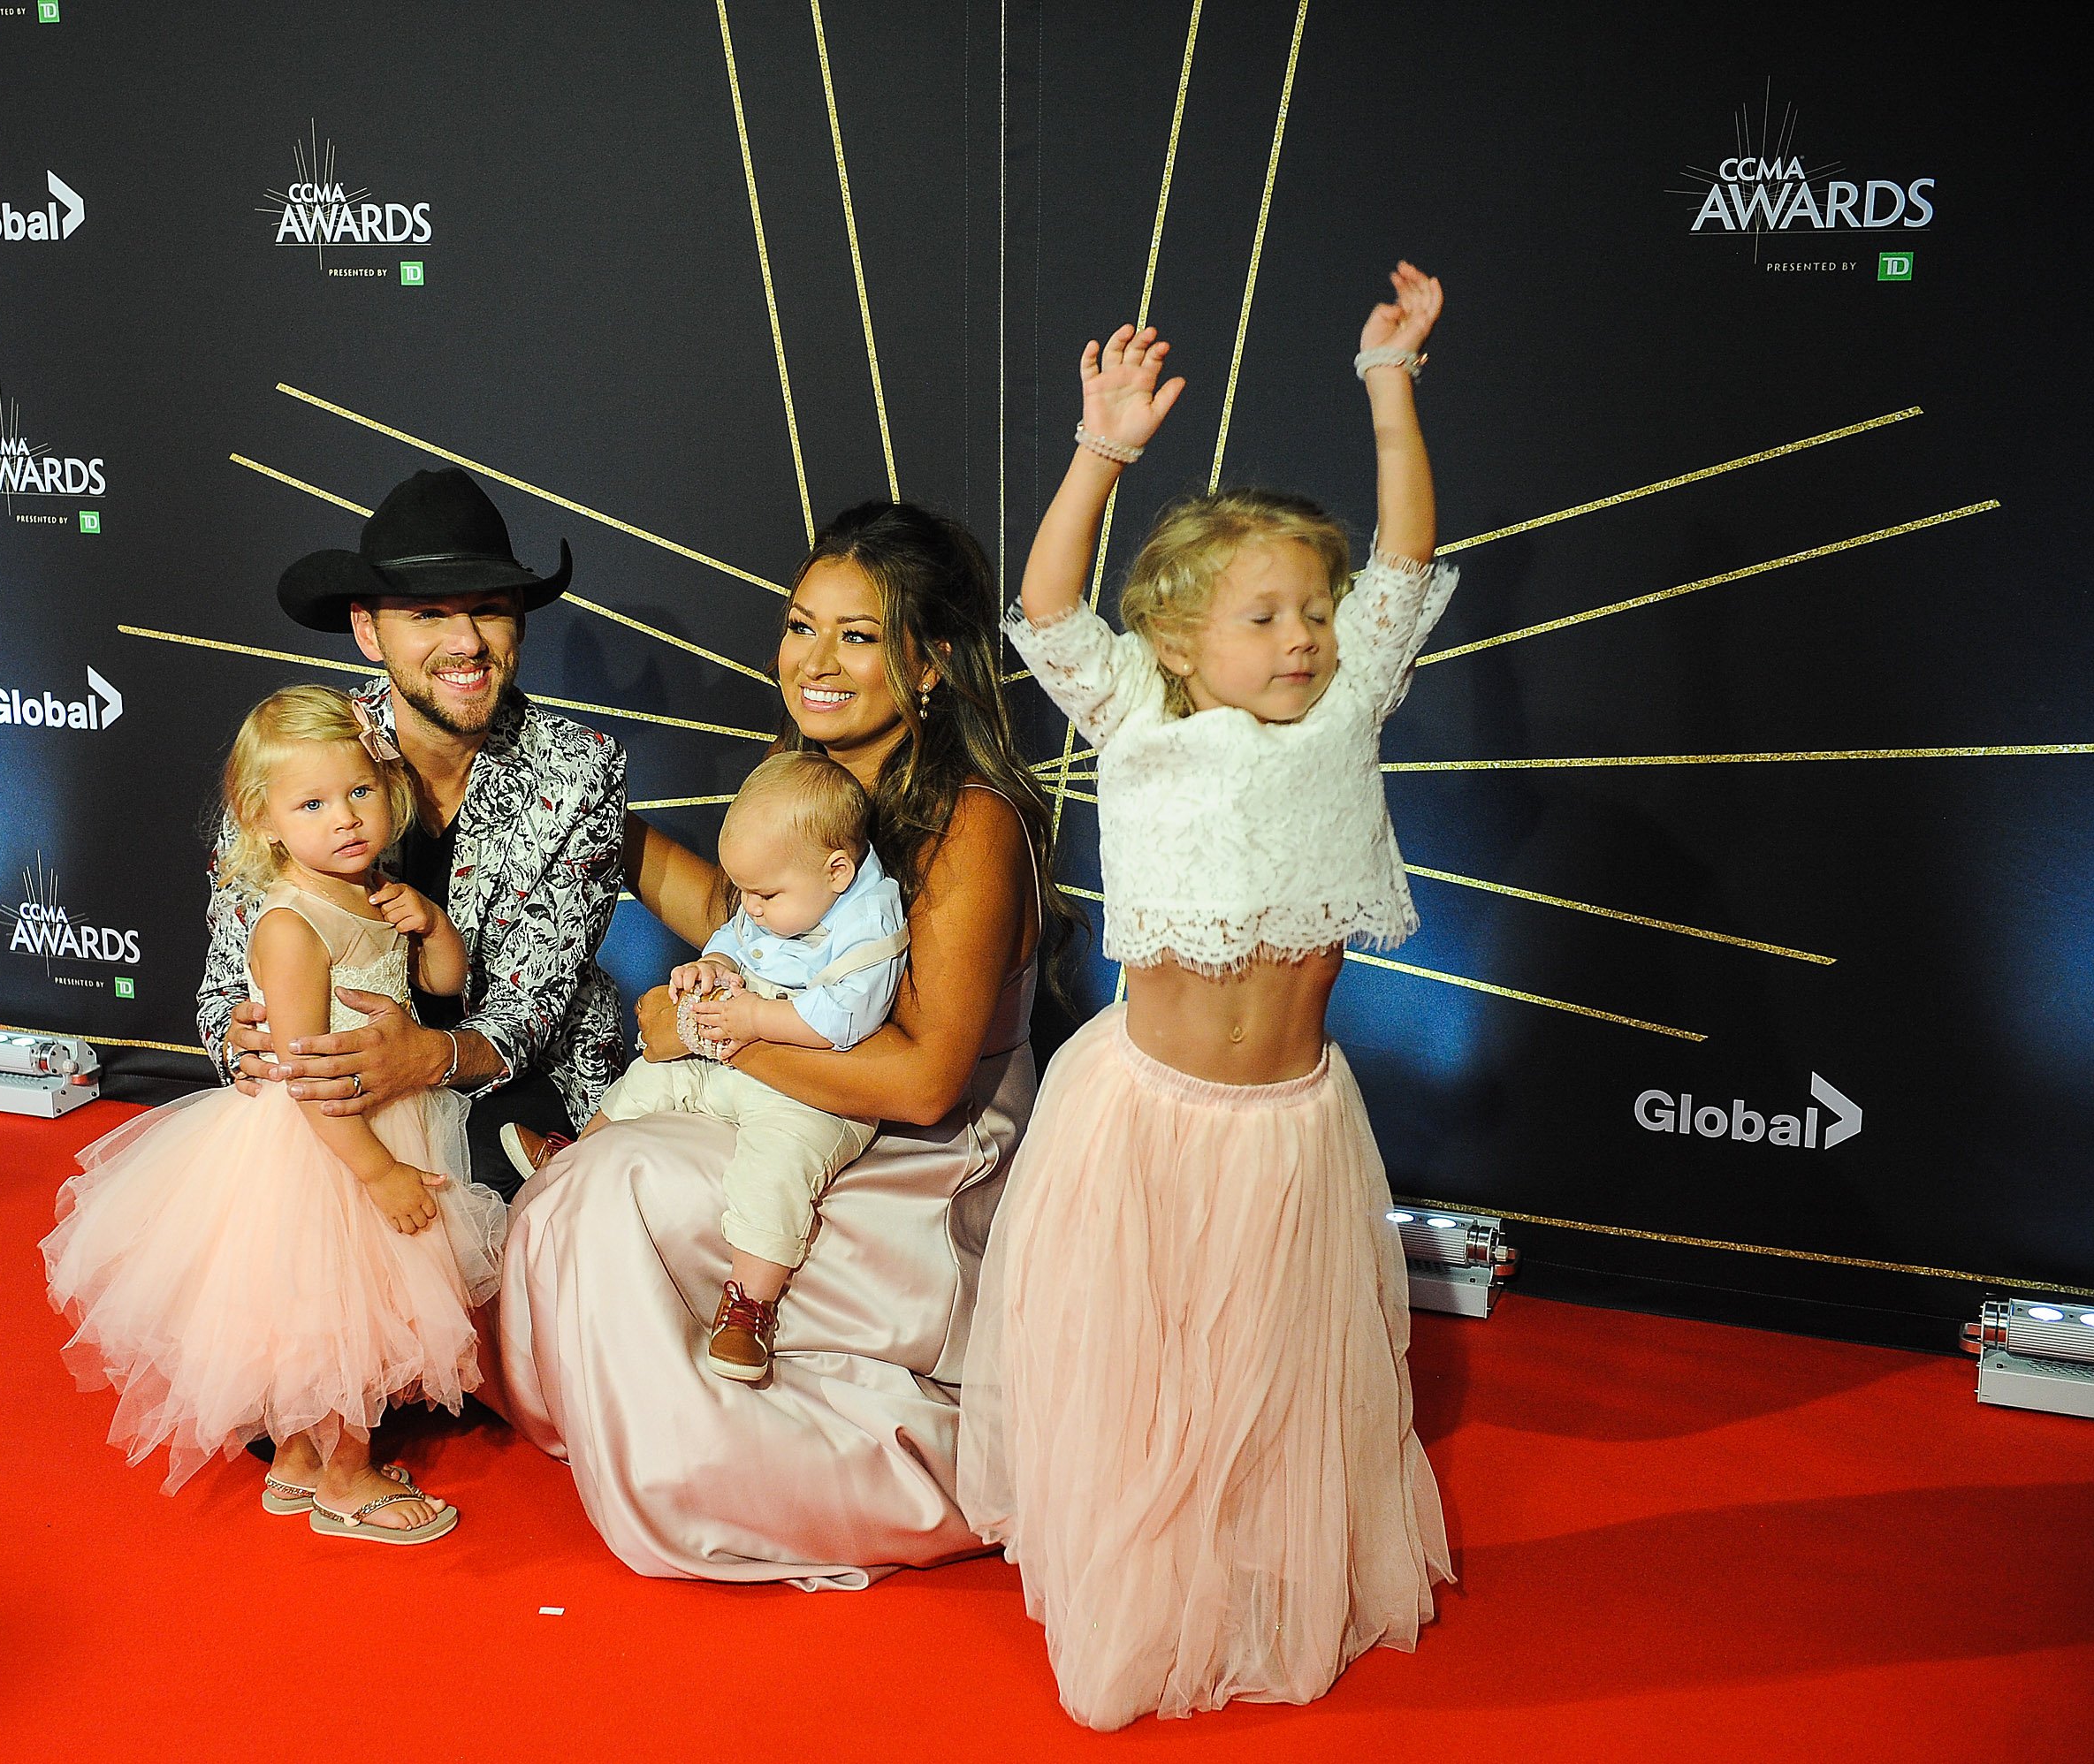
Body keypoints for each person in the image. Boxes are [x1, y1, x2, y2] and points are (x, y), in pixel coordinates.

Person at [960, 268, 1457, 1726]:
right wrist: (1102, 451)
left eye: (1313, 609)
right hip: (1145, 1116)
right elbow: (1047, 603)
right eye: (1263, 615)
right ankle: (1138, 1576)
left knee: (1273, 1375)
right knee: (1147, 1368)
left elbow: (1407, 556)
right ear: (1179, 644)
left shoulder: (1348, 709)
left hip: (1289, 1123)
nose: (1303, 634)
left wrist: (1389, 384)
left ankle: (1251, 1569)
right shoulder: (1134, 714)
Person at [496, 499, 1076, 1588]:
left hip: (921, 1161)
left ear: (932, 662)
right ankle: (643, 1410)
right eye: (802, 625)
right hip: (807, 1106)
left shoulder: (971, 820)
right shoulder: (816, 783)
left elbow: (922, 1078)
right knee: (599, 1174)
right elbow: (739, 907)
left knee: (614, 1178)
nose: (816, 660)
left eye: (858, 636)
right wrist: (596, 826)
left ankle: (699, 1466)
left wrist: (710, 1034)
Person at [43, 686, 506, 1543]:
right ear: (262, 821)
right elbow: (301, 1069)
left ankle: (295, 1460)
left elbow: (445, 987)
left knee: (324, 1311)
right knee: (350, 1315)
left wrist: (431, 924)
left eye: (361, 792)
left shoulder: (375, 890)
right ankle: (348, 1473)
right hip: (329, 1144)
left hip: (379, 1112)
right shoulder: (290, 926)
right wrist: (378, 1171)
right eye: (314, 803)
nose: (346, 819)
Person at [199, 467, 629, 1201]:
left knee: (485, 1197)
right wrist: (246, 1046)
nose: (467, 642)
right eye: (429, 614)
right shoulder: (311, 755)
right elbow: (224, 985)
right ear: (368, 631)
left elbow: (537, 1007)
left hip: (509, 1076)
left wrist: (423, 1058)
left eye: (490, 610)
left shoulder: (580, 772)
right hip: (337, 1091)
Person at [560, 748, 908, 1383]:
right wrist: (712, 970)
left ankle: (749, 1302)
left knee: (777, 1166)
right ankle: (578, 1156)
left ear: (838, 872)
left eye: (764, 894)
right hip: (737, 1053)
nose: (749, 906)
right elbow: (733, 941)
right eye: (743, 891)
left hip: (814, 1089)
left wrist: (752, 1022)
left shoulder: (869, 923)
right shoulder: (775, 893)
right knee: (653, 1075)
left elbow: (842, 1023)